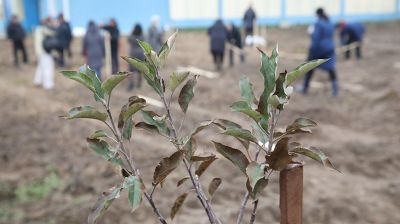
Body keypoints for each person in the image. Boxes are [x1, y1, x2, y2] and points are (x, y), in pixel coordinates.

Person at [302, 8, 338, 96]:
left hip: (319, 49)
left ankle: (305, 88)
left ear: (317, 14)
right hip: (330, 48)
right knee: (331, 69)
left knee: (309, 67)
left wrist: (312, 51)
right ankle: (335, 89)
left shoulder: (318, 23)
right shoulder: (329, 22)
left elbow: (316, 38)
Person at [33, 18, 55, 90]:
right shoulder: (43, 29)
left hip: (39, 52)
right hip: (44, 52)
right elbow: (52, 33)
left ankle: (37, 81)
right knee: (47, 68)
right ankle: (48, 85)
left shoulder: (37, 29)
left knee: (41, 67)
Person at [128, 24, 145, 90]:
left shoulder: (132, 36)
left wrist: (131, 31)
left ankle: (131, 84)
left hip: (133, 54)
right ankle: (139, 83)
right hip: (140, 54)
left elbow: (128, 39)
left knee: (131, 70)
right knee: (140, 70)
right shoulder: (142, 36)